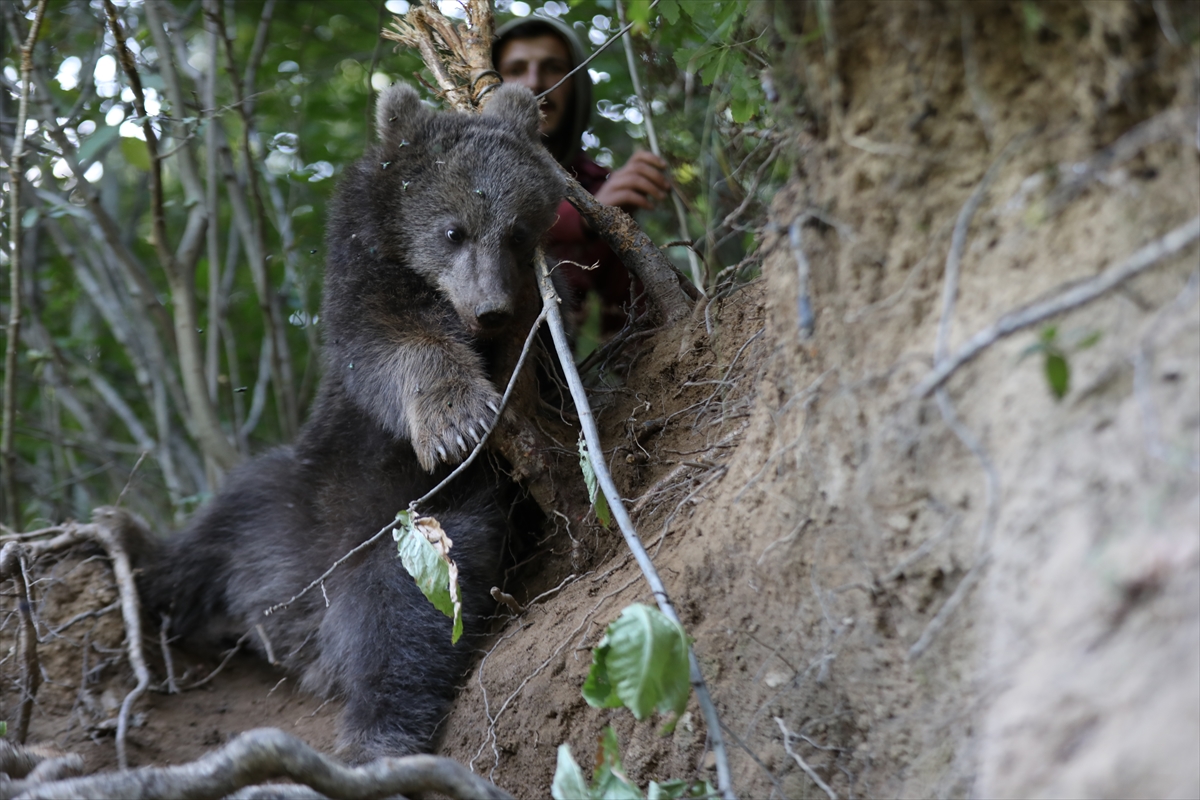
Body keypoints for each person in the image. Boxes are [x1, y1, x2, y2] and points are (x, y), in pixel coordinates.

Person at [492, 16, 670, 335]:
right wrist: (585, 216)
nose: (535, 82)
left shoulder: (600, 187)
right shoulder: (456, 168)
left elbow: (633, 326)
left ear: (577, 84)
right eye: (516, 70)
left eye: (553, 67)